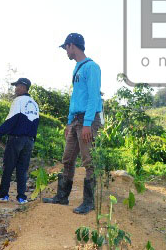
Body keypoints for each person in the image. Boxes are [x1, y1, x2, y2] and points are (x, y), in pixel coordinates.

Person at [43, 33, 102, 214]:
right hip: (76, 119)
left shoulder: (91, 67)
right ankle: (62, 197)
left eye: (66, 48)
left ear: (71, 46)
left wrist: (88, 124)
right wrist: (69, 122)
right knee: (68, 158)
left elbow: (94, 97)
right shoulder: (77, 68)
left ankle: (89, 202)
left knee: (89, 160)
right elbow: (75, 97)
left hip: (87, 120)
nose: (65, 52)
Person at [0, 78, 39, 204]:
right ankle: (21, 197)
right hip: (29, 141)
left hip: (16, 139)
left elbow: (11, 120)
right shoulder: (34, 104)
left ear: (23, 87)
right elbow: (36, 123)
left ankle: (4, 195)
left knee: (8, 166)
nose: (15, 89)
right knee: (22, 169)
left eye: (17, 86)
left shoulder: (18, 101)